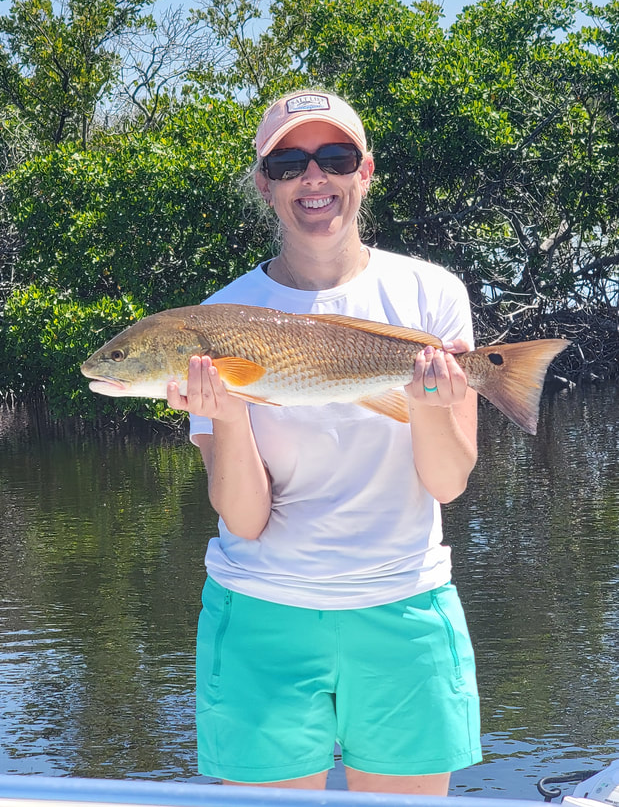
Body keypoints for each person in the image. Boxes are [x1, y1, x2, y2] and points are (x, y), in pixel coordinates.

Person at [167, 89, 482, 793]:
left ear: (364, 171)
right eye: (289, 164)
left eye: (335, 157)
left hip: (405, 610)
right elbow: (246, 521)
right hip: (260, 614)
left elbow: (446, 484)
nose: (314, 177)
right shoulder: (216, 318)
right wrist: (230, 415)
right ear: (264, 184)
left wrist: (428, 402)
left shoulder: (431, 294)